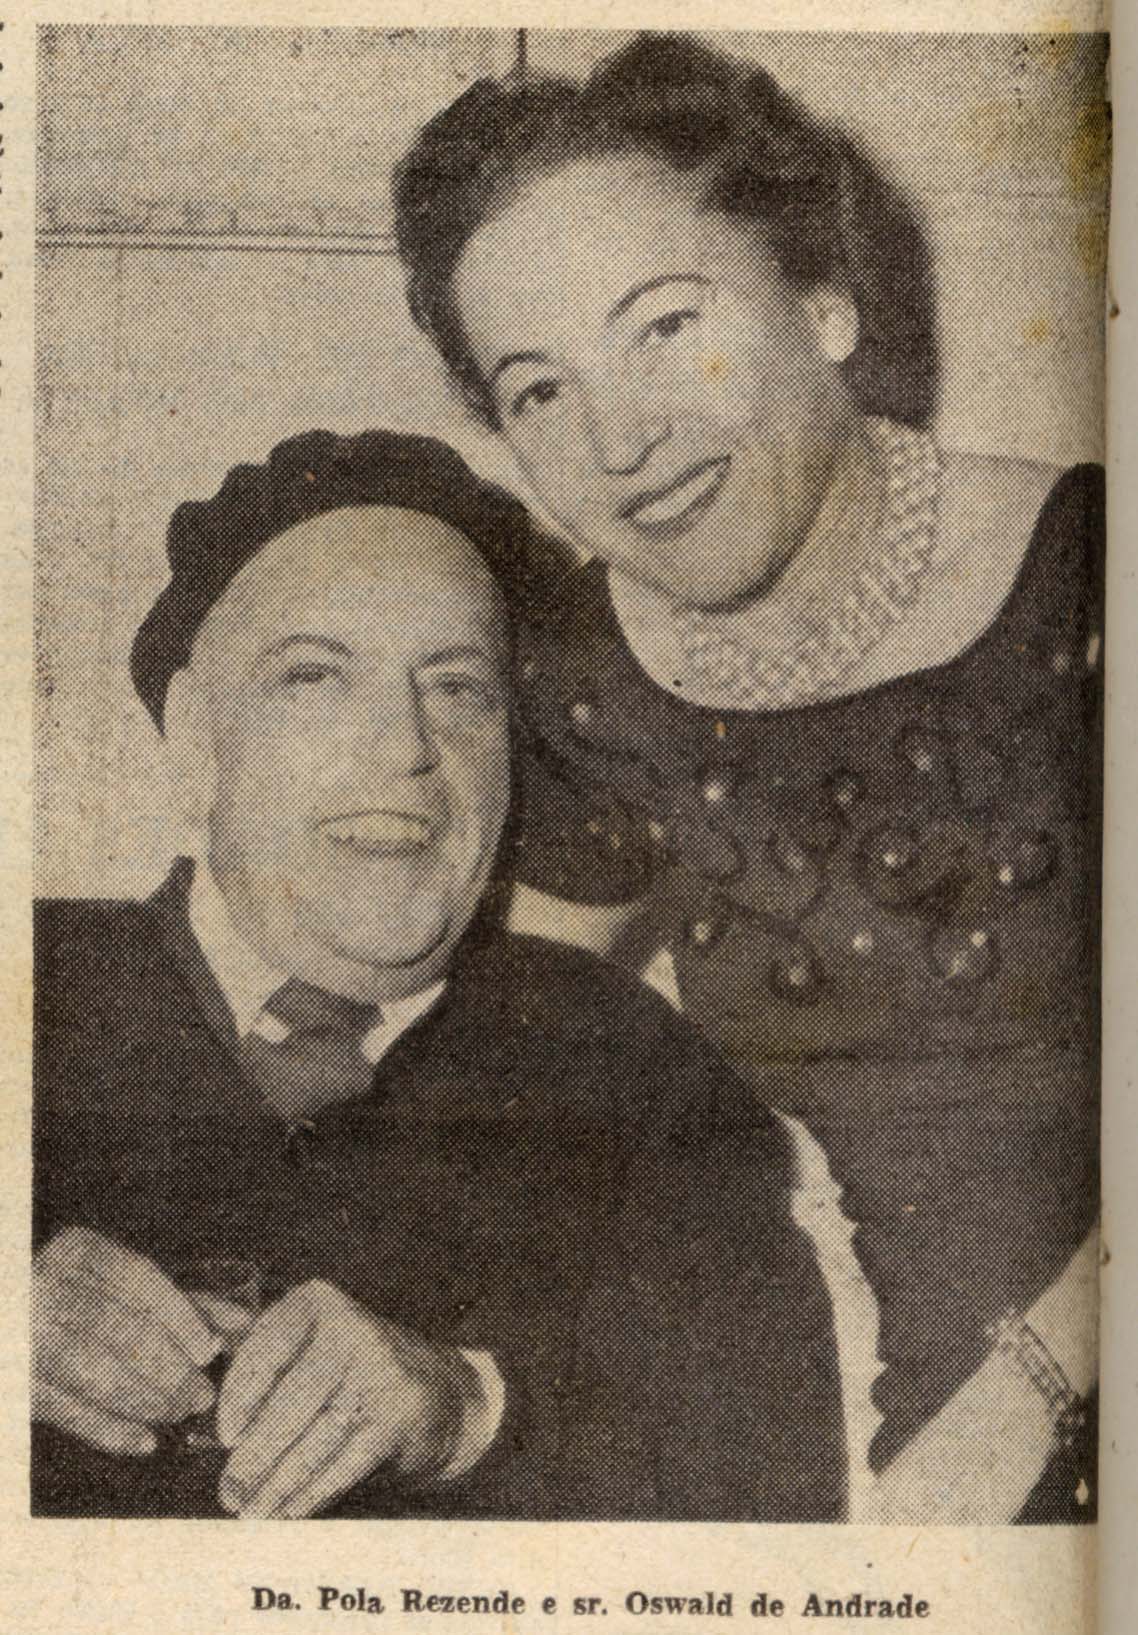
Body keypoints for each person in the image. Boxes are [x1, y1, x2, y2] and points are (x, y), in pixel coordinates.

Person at [391, 33, 1103, 1518]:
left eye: (664, 326)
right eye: (539, 391)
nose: (621, 439)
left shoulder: (1088, 579)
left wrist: (1034, 1387)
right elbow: (498, 1082)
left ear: (823, 301)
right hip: (929, 1463)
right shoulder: (593, 685)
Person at [32, 428, 845, 1521]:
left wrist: (473, 1417)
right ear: (193, 741)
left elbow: (769, 1506)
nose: (406, 747)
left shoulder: (639, 1072)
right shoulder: (32, 987)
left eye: (458, 687)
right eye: (315, 676)